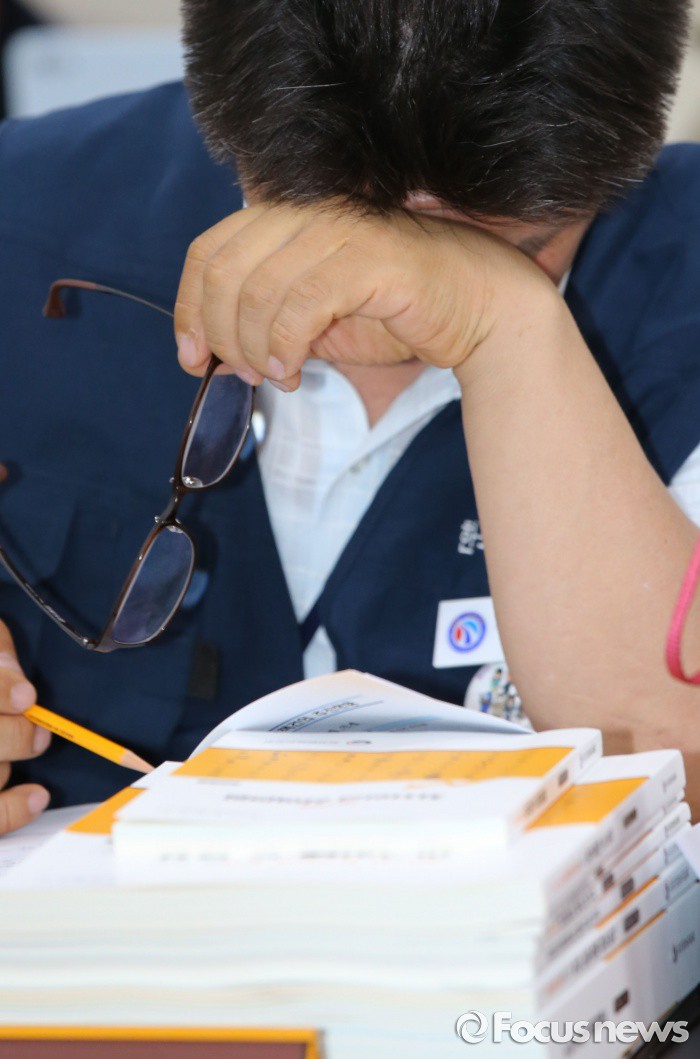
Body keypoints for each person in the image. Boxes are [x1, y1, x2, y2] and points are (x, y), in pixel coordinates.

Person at [2, 0, 700, 834]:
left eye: (513, 246)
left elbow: (677, 776)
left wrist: (502, 323)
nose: (381, 309)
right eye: (325, 229)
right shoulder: (23, 225)